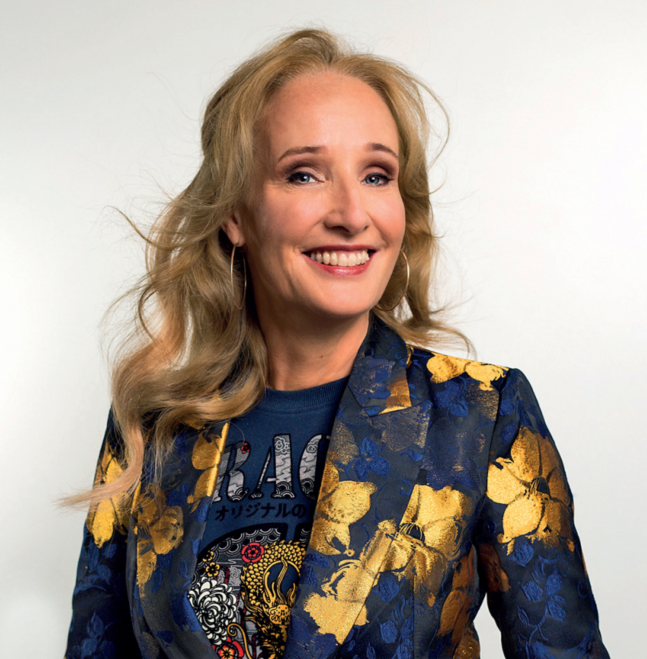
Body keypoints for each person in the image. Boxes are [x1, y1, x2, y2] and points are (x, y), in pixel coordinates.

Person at [65, 28, 609, 659]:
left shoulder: (483, 415)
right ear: (235, 213)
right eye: (303, 174)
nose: (352, 214)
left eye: (377, 175)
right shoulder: (149, 428)